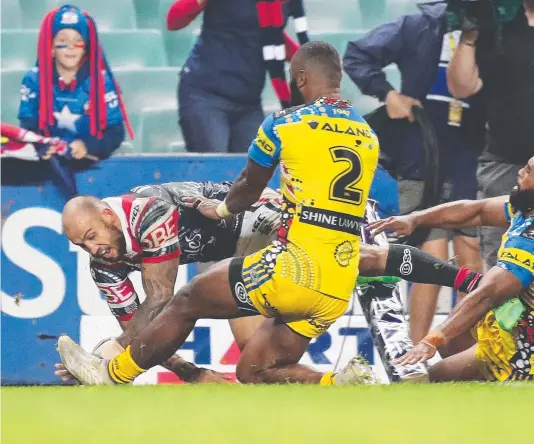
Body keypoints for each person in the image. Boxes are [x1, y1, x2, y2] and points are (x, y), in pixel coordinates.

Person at [57, 41, 481, 386]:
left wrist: (220, 208)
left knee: (187, 300)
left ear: (300, 79)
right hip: (335, 282)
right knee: (254, 371)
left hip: (293, 263)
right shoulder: (366, 134)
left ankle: (112, 377)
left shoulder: (284, 123)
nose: (89, 247)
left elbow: (246, 190)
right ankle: (343, 383)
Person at [343, 1, 484, 344]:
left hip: (472, 154)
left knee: (471, 252)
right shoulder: (422, 24)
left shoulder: (493, 26)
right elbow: (357, 55)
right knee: (429, 251)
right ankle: (414, 358)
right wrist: (388, 94)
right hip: (419, 154)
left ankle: (466, 354)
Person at [56, 181, 282, 383]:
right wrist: (189, 372)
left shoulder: (149, 211)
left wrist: (104, 356)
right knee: (258, 363)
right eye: (82, 245)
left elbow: (160, 297)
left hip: (262, 215)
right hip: (237, 254)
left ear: (108, 215)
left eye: (92, 236)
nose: (93, 250)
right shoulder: (103, 265)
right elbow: (140, 330)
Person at [369, 147, 534, 381]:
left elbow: (487, 294)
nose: (520, 172)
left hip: (531, 348)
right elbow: (476, 211)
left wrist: (432, 339)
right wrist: (414, 219)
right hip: (518, 322)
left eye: (529, 170)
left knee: (430, 380)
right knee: (453, 342)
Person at [447, 0, 534, 270]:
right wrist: (469, 34)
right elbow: (462, 87)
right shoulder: (497, 20)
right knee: (503, 262)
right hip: (506, 163)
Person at [17, 4, 133, 199]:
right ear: (51, 47)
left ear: (86, 48)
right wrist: (42, 146)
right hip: (48, 164)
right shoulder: (33, 79)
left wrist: (88, 145)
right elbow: (28, 127)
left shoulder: (101, 81)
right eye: (62, 41)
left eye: (78, 41)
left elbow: (116, 132)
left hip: (91, 165)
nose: (71, 48)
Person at [167, 0, 309, 153]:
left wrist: (311, 63)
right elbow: (173, 21)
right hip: (206, 96)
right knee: (213, 173)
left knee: (255, 171)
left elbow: (269, 34)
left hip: (249, 103)